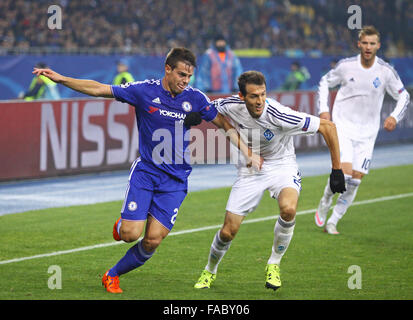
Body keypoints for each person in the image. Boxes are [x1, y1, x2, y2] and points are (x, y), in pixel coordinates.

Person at [32, 47, 263, 294]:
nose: (185, 81)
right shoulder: (143, 91)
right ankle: (123, 223)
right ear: (168, 69)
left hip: (176, 180)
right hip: (146, 173)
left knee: (152, 240)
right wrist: (61, 79)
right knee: (131, 234)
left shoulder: (195, 98)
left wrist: (248, 152)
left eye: (189, 77)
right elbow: (100, 89)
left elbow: (223, 124)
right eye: (181, 74)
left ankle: (112, 275)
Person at [193, 70, 345, 291]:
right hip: (249, 170)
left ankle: (274, 264)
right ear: (242, 96)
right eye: (254, 96)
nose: (260, 101)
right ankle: (210, 270)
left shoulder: (278, 114)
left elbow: (327, 127)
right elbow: (207, 106)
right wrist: (197, 115)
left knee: (288, 210)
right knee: (228, 232)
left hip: (282, 165)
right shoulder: (232, 105)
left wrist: (337, 170)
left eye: (263, 94)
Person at [314, 26, 410, 235]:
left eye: (372, 43)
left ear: (378, 45)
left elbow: (403, 95)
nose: (368, 47)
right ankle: (326, 199)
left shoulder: (385, 71)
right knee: (345, 175)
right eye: (364, 43)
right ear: (359, 44)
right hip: (344, 127)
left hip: (367, 133)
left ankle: (333, 221)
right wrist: (323, 110)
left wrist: (394, 116)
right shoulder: (346, 66)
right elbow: (324, 82)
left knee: (356, 180)